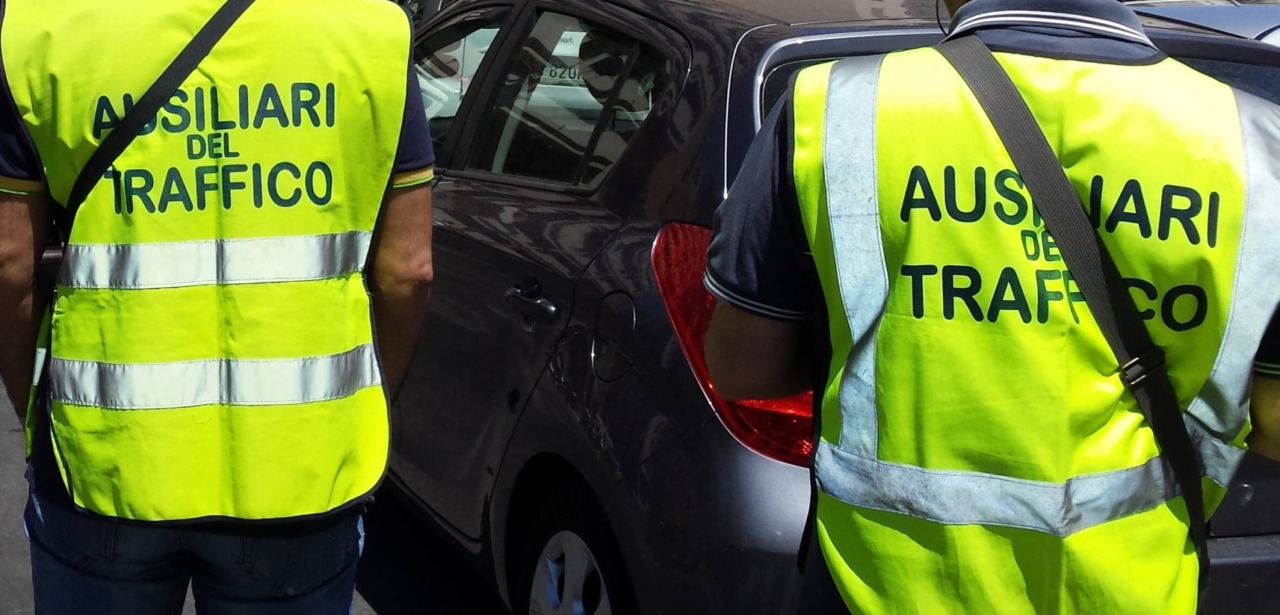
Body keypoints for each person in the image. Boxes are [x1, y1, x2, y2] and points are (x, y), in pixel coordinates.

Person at [701, 0, 1280, 612]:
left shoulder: (836, 104)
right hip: (1127, 591)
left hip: (876, 587)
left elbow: (744, 369)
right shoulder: (1258, 144)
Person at [0, 1, 434, 613]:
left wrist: (35, 412)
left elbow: (9, 265)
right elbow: (408, 273)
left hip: (104, 466)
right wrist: (361, 409)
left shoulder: (41, 29)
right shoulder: (371, 28)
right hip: (300, 474)